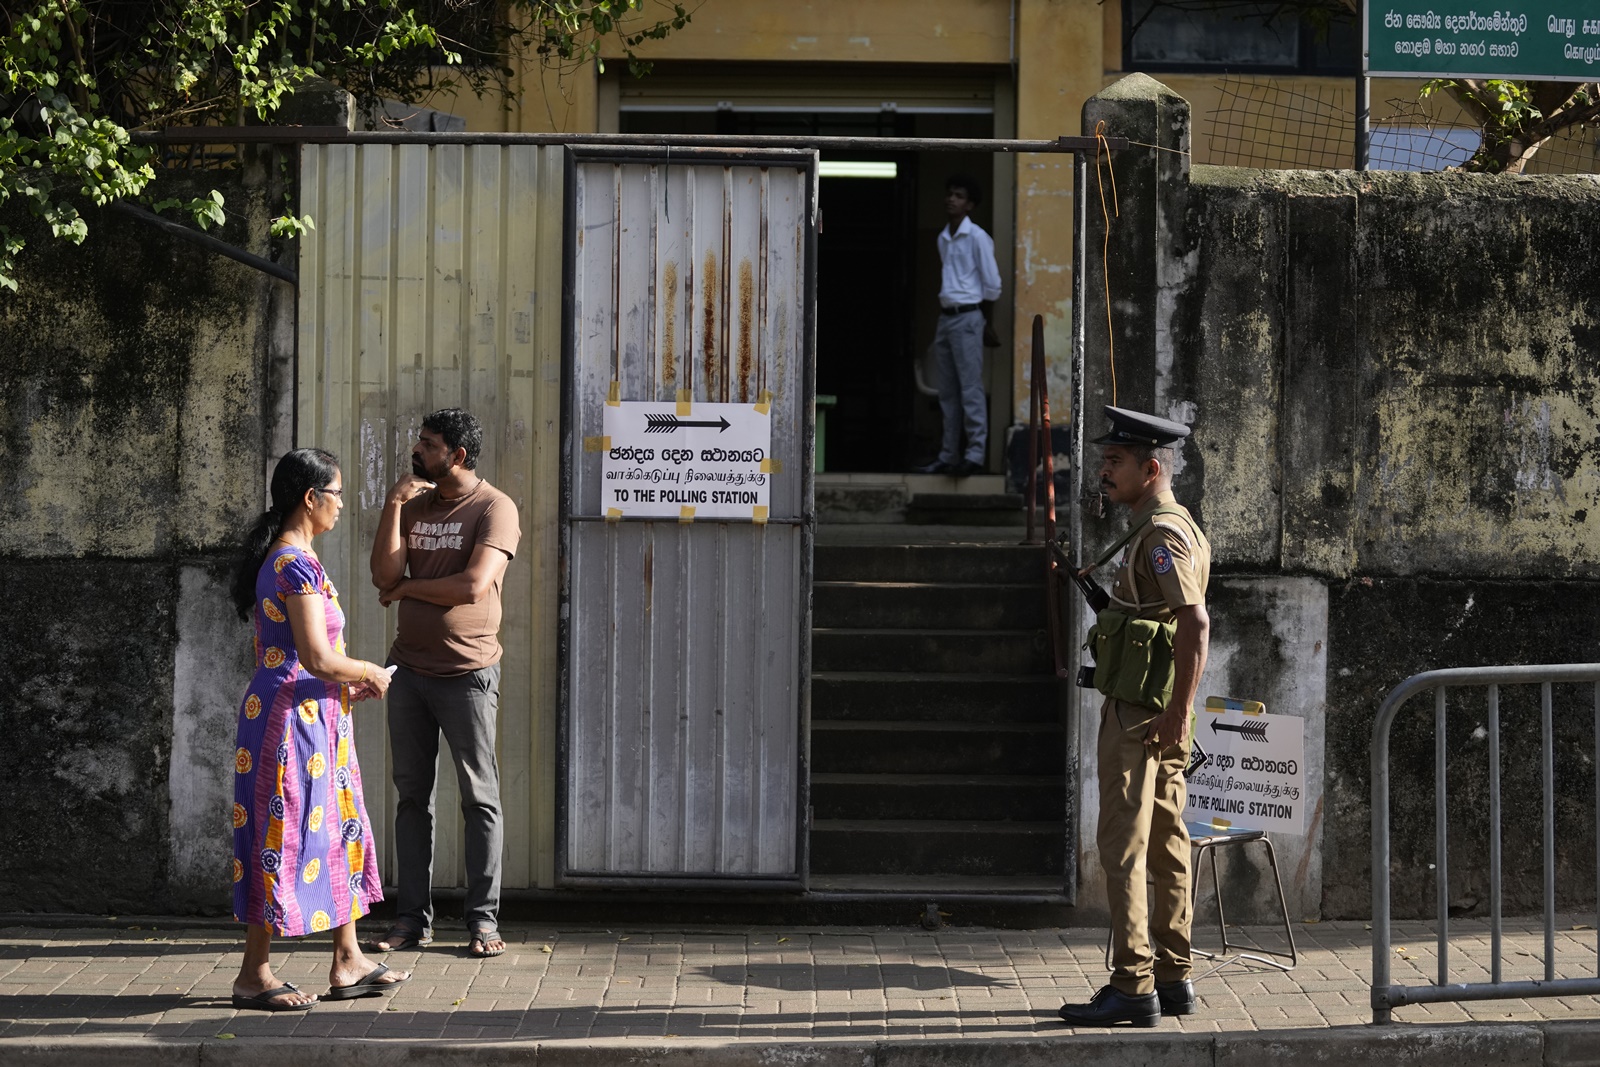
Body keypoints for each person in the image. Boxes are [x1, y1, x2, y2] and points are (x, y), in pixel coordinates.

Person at [227, 447, 409, 1012]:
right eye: (335, 494)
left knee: (336, 828)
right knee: (279, 836)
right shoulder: (294, 563)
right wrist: (369, 672)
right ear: (310, 499)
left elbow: (307, 658)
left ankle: (348, 957)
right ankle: (253, 973)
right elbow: (315, 655)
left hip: (314, 717)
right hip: (290, 726)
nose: (340, 506)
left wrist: (344, 685)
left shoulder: (294, 558)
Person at [1058, 407, 1211, 1028]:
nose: (1103, 469)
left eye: (1115, 461)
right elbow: (1155, 616)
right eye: (1105, 459)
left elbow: (1195, 623)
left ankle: (1132, 985)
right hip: (1162, 708)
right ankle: (1174, 979)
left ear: (1151, 468)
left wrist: (1176, 715)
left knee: (1123, 846)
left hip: (1142, 713)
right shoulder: (1165, 527)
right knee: (1169, 843)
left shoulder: (1163, 536)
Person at [368, 409, 521, 959]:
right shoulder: (414, 506)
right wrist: (392, 504)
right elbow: (383, 576)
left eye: (427, 445)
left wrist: (410, 591)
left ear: (457, 455)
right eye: (419, 441)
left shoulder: (494, 507)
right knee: (413, 800)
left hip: (468, 673)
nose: (417, 451)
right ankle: (411, 921)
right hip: (408, 673)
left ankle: (482, 921)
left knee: (480, 798)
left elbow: (474, 585)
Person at [915, 174, 1003, 476]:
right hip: (946, 318)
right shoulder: (943, 237)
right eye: (950, 194)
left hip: (967, 317)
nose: (952, 199)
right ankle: (949, 455)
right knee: (946, 391)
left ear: (970, 205)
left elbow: (993, 286)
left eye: (960, 196)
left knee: (970, 389)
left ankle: (975, 455)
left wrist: (981, 316)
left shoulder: (977, 237)